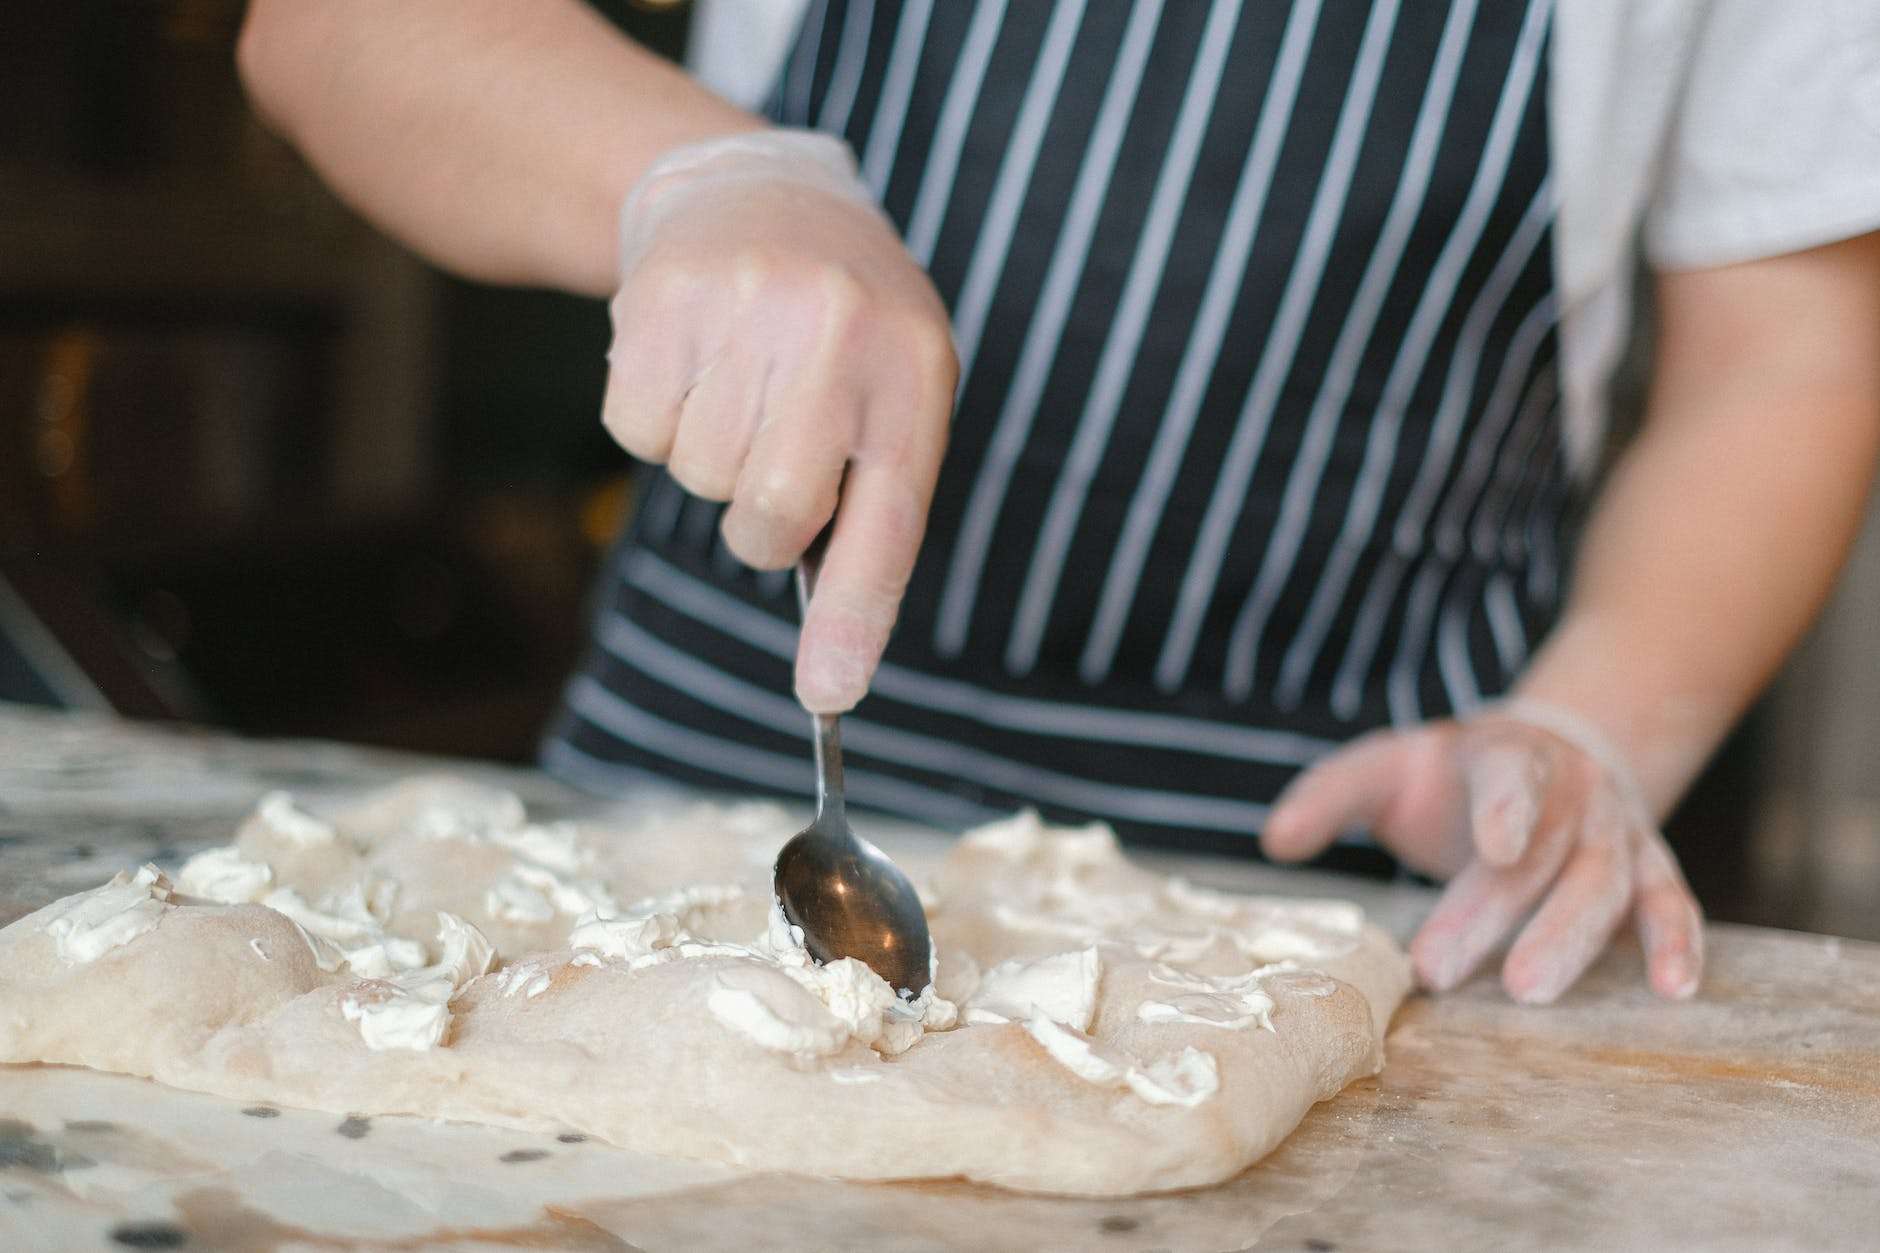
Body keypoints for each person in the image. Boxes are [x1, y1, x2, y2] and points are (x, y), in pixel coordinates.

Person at [236, 0, 1880, 1005]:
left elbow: (1787, 352)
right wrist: (697, 174)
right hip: (713, 814)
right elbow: (341, 26)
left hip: (1350, 879)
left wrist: (1591, 729)